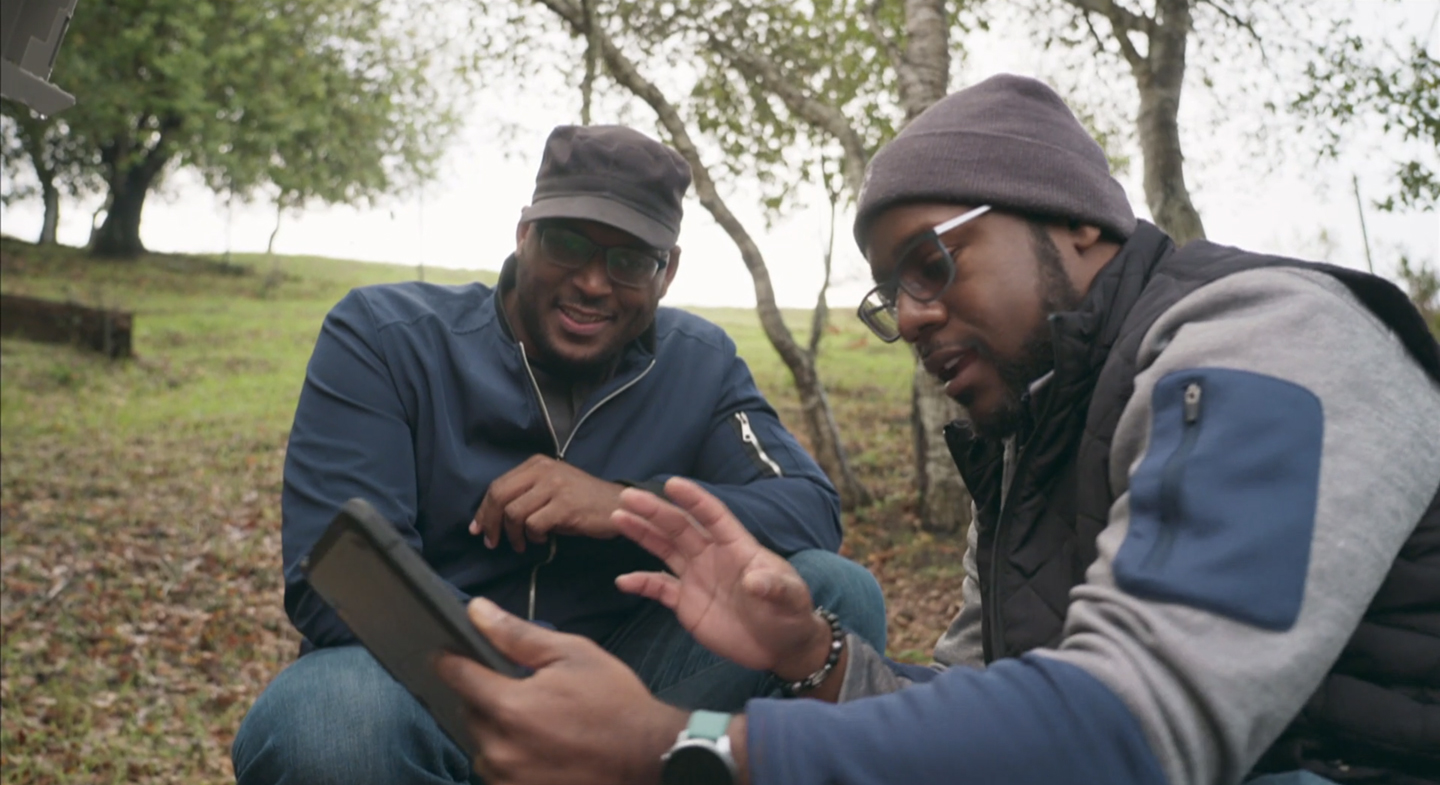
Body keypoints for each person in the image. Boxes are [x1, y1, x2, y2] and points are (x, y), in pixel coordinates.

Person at [432, 75, 1440, 785]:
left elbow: (1135, 729)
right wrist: (819, 656)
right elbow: (985, 713)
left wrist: (680, 747)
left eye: (932, 261)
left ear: (1080, 222)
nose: (910, 314)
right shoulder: (1027, 434)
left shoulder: (1267, 339)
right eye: (888, 291)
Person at [230, 124, 888, 785]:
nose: (594, 282)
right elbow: (340, 582)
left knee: (835, 592)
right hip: (427, 690)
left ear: (669, 271)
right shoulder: (388, 338)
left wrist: (623, 502)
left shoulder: (700, 363)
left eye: (630, 260)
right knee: (331, 715)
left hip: (638, 690)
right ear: (524, 236)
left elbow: (809, 508)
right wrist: (529, 685)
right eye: (569, 244)